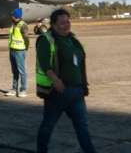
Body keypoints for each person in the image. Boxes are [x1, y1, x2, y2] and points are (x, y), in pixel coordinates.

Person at [36, 9, 95, 153]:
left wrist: (83, 85)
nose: (66, 25)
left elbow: (81, 63)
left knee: (82, 126)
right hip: (57, 93)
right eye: (62, 22)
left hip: (76, 92)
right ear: (54, 25)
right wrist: (56, 81)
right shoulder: (46, 39)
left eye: (68, 21)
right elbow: (44, 64)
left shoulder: (73, 40)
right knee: (48, 126)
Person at [6, 8, 30, 98]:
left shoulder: (22, 25)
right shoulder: (13, 24)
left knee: (21, 71)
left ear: (16, 16)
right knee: (14, 71)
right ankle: (13, 89)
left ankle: (23, 89)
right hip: (12, 50)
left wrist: (25, 48)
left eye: (12, 15)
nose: (11, 17)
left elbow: (26, 38)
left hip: (19, 51)